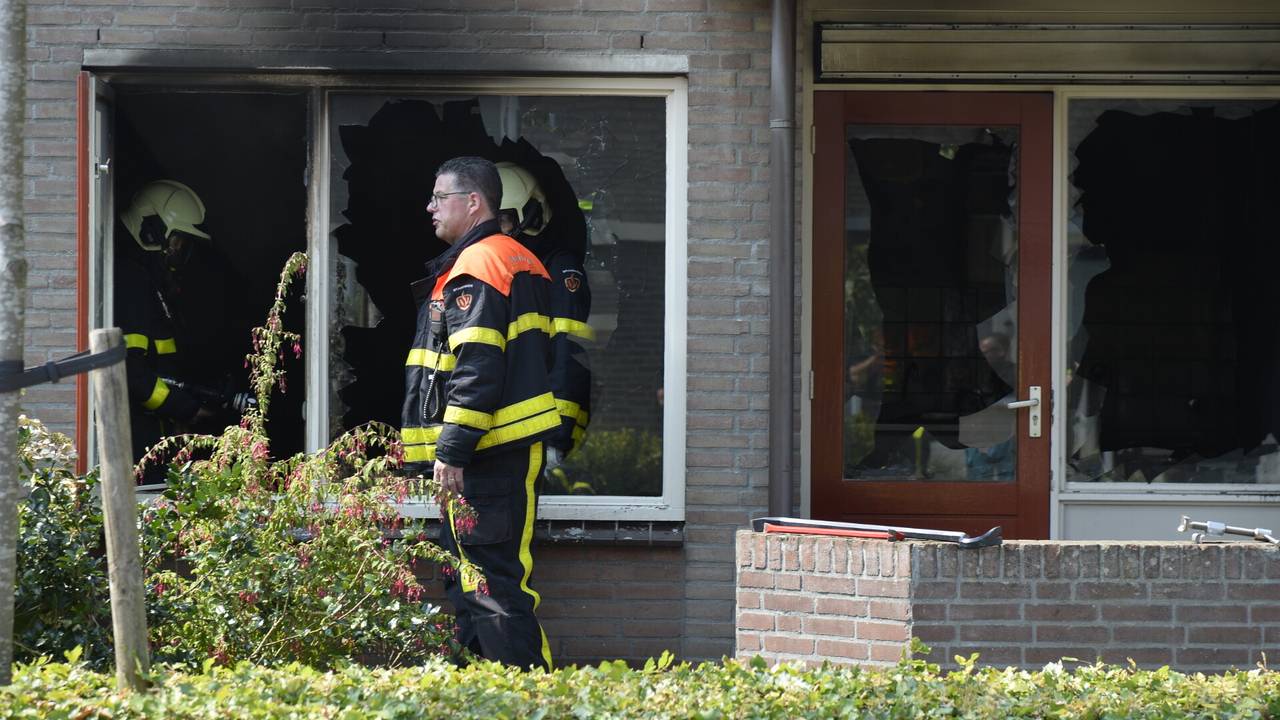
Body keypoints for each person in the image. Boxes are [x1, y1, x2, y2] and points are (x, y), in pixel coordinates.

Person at [401, 156, 557, 670]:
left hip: (485, 460)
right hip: (492, 456)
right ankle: (487, 694)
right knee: (473, 586)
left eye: (438, 197)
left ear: (473, 203)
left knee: (491, 591)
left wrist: (450, 451)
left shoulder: (478, 266)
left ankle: (528, 699)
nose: (429, 208)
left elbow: (477, 369)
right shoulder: (514, 259)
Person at [495, 161, 593, 474]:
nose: (494, 231)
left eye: (504, 220)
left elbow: (569, 354)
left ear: (532, 215)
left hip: (543, 433)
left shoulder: (558, 270)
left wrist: (558, 437)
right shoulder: (505, 269)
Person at [114, 180, 217, 467]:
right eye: (176, 242)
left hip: (155, 434)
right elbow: (131, 373)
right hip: (136, 438)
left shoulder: (149, 283)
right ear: (151, 230)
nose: (179, 253)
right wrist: (184, 408)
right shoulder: (129, 282)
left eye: (184, 246)